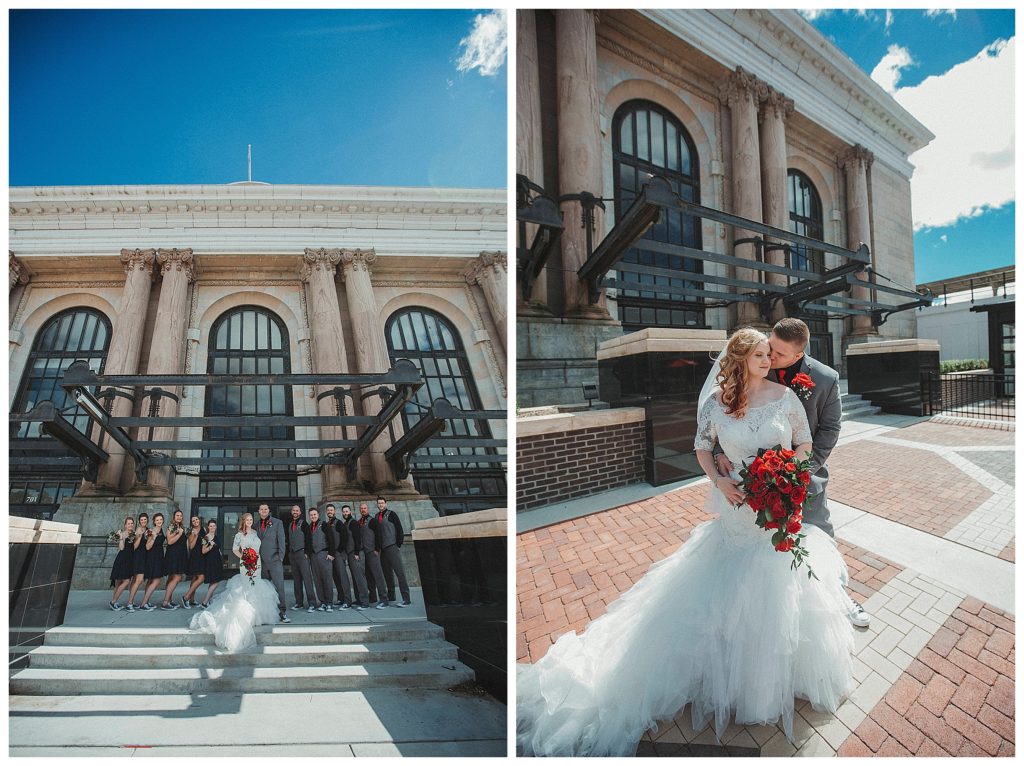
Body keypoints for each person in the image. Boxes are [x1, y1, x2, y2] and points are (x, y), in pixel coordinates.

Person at [516, 328, 855, 756]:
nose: (769, 360)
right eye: (760, 355)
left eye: (771, 354)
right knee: (728, 597)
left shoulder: (786, 398)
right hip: (735, 511)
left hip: (777, 511)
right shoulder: (717, 404)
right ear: (740, 360)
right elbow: (701, 446)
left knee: (781, 591)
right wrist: (719, 480)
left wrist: (789, 476)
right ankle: (722, 674)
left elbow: (805, 442)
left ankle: (776, 678)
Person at [714, 317, 870, 628]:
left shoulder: (825, 379)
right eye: (769, 349)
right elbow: (725, 415)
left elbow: (829, 429)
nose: (769, 358)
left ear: (798, 356)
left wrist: (797, 473)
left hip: (803, 477)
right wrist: (719, 452)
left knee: (818, 536)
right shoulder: (757, 365)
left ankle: (840, 595)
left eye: (779, 354)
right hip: (751, 480)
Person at [189, 513, 279, 652]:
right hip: (245, 562)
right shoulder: (239, 535)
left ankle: (258, 614)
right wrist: (244, 557)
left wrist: (255, 557)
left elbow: (259, 547)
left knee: (257, 584)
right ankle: (248, 614)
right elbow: (235, 549)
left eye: (251, 520)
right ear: (244, 521)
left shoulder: (255, 532)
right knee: (247, 585)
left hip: (257, 562)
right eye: (247, 520)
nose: (249, 522)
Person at [255, 503, 290, 623]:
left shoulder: (277, 522)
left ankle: (283, 612)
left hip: (275, 561)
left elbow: (281, 540)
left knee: (279, 587)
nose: (264, 511)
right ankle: (268, 613)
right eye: (261, 509)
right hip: (261, 562)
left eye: (266, 509)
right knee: (264, 589)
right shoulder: (255, 525)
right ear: (259, 511)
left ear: (269, 511)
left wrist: (280, 557)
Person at [375, 497, 411, 607]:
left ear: (386, 504)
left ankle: (406, 599)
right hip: (383, 549)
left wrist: (398, 544)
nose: (381, 505)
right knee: (387, 574)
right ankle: (391, 597)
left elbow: (399, 529)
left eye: (382, 503)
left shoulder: (391, 514)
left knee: (399, 573)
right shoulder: (377, 516)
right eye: (379, 503)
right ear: (377, 505)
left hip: (392, 546)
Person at [357, 502, 389, 609]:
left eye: (365, 508)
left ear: (368, 509)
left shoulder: (373, 521)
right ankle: (373, 597)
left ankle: (384, 599)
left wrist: (377, 548)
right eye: (361, 508)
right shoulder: (360, 522)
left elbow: (379, 534)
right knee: (369, 576)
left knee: (378, 575)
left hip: (372, 551)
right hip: (364, 553)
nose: (363, 510)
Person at [286, 504, 317, 611]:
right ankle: (298, 602)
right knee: (296, 579)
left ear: (300, 512)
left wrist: (307, 553)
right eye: (293, 510)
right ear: (292, 512)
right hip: (293, 555)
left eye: (297, 510)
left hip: (302, 553)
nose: (295, 512)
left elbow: (309, 539)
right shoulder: (290, 524)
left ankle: (312, 603)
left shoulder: (303, 524)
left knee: (307, 579)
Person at [323, 504, 353, 609]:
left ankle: (347, 601)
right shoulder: (327, 523)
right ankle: (341, 599)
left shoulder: (339, 523)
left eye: (331, 510)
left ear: (334, 511)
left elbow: (345, 538)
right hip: (331, 554)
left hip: (338, 554)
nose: (330, 512)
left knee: (343, 577)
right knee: (336, 577)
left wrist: (339, 551)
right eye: (328, 510)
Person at [305, 507, 334, 612]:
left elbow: (331, 538)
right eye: (311, 515)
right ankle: (322, 602)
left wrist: (331, 553)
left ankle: (329, 603)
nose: (313, 516)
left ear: (318, 515)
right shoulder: (309, 527)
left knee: (327, 579)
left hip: (324, 554)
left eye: (314, 514)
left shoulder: (324, 524)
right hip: (313, 556)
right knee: (317, 580)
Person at [341, 504, 369, 610]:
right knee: (355, 578)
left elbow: (358, 538)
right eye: (343, 512)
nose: (345, 513)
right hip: (350, 553)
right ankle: (358, 599)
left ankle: (365, 602)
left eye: (347, 511)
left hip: (356, 554)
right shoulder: (346, 523)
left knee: (360, 578)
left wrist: (357, 553)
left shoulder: (353, 523)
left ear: (351, 512)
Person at [160, 509, 188, 610]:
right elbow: (170, 541)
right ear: (174, 517)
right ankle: (165, 602)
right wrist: (179, 534)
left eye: (181, 516)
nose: (179, 517)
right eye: (177, 515)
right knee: (176, 578)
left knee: (171, 578)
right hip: (173, 555)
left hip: (180, 555)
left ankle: (169, 600)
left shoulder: (181, 527)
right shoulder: (172, 526)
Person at [139, 512, 167, 611]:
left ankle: (146, 601)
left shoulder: (161, 529)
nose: (159, 521)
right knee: (156, 580)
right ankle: (143, 604)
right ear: (154, 522)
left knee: (151, 580)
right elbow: (147, 547)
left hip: (159, 556)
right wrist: (154, 537)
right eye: (157, 520)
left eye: (161, 519)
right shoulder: (152, 531)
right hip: (152, 557)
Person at [108, 516, 136, 610]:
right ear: (125, 525)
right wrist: (120, 538)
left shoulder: (133, 534)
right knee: (125, 581)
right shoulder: (123, 534)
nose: (130, 525)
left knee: (119, 582)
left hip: (130, 560)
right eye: (128, 523)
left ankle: (114, 601)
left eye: (132, 523)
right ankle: (113, 602)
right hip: (122, 560)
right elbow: (121, 548)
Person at [124, 513, 149, 611]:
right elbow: (135, 546)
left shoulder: (147, 530)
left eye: (145, 519)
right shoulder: (138, 530)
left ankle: (131, 601)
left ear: (147, 520)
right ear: (139, 521)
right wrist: (139, 537)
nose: (143, 521)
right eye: (142, 520)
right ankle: (129, 603)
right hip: (138, 557)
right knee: (139, 580)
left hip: (144, 557)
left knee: (135, 580)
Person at [181, 515, 206, 609]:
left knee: (195, 578)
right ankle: (186, 597)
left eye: (196, 519)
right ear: (192, 523)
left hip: (202, 556)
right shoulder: (191, 532)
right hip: (195, 556)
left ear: (199, 520)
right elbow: (191, 546)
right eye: (193, 520)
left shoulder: (203, 528)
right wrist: (195, 536)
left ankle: (191, 599)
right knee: (201, 577)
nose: (195, 521)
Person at [198, 519, 224, 607]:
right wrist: (211, 546)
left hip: (217, 560)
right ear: (208, 527)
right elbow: (203, 551)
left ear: (216, 527)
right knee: (216, 582)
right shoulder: (206, 537)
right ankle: (204, 602)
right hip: (210, 561)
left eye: (214, 526)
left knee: (213, 582)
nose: (212, 527)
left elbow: (218, 548)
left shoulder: (216, 536)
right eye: (211, 526)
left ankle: (208, 601)